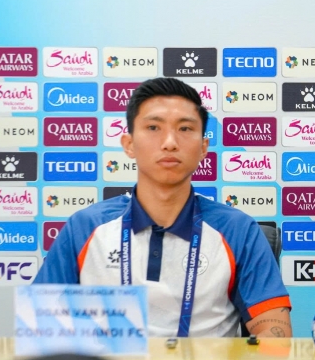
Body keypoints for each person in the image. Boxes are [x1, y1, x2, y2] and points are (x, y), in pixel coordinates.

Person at [34, 77, 291, 338]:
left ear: (203, 147)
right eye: (153, 127)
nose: (170, 142)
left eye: (185, 128)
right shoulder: (85, 227)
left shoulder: (237, 230)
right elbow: (41, 329)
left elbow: (275, 332)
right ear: (129, 144)